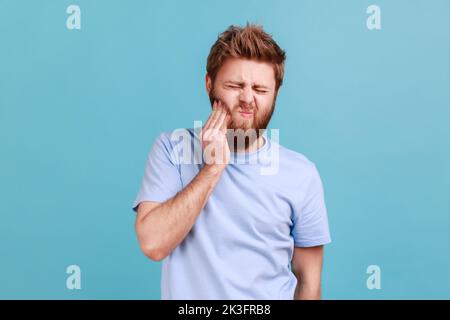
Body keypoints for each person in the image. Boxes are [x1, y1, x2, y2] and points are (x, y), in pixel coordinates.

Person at [132, 23, 331, 299]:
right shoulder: (171, 150)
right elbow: (153, 244)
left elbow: (309, 282)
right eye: (235, 85)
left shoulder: (301, 174)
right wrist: (213, 167)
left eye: (261, 89)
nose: (247, 99)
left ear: (275, 94)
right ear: (209, 84)